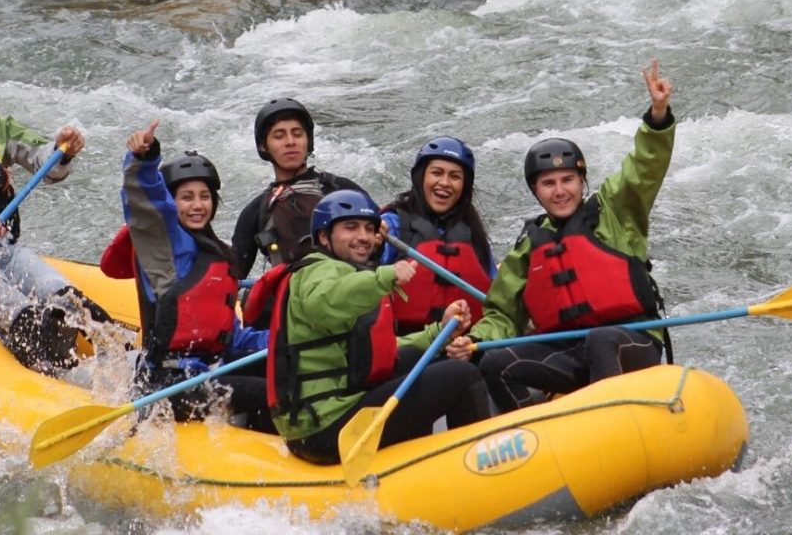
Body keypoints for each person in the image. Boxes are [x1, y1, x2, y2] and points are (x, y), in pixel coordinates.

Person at [448, 61, 675, 413]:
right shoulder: (530, 244)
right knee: (495, 363)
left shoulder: (615, 211)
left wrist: (657, 118)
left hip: (631, 342)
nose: (560, 191)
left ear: (581, 182)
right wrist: (476, 341)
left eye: (567, 180)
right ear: (536, 191)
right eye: (548, 183)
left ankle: (613, 427)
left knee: (602, 339)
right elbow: (503, 315)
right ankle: (532, 443)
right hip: (569, 352)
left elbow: (643, 169)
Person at [242, 189, 490, 464]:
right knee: (462, 376)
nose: (363, 237)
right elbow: (325, 302)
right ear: (324, 237)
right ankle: (481, 466)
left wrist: (439, 333)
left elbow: (378, 350)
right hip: (326, 429)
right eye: (350, 227)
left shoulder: (349, 272)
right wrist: (385, 276)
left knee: (429, 357)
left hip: (341, 409)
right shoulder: (316, 272)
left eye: (369, 229)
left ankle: (422, 460)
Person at [106, 119, 272, 431]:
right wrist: (144, 158)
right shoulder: (163, 244)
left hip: (209, 371)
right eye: (187, 197)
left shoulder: (217, 254)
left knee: (284, 366)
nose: (198, 205)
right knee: (266, 393)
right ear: (172, 202)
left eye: (204, 196)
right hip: (168, 384)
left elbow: (231, 337)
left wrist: (285, 340)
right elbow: (146, 201)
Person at [0, 77, 95, 372]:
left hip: (3, 249)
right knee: (26, 319)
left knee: (68, 303)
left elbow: (47, 163)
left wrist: (63, 149)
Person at [231, 97, 364, 278]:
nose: (290, 142)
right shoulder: (256, 212)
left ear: (308, 141)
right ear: (264, 146)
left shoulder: (342, 190)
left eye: (297, 134)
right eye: (279, 136)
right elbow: (232, 278)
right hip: (291, 299)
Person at [379, 136, 496, 334]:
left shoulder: (472, 232)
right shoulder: (392, 225)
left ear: (464, 186)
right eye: (436, 173)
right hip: (403, 343)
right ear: (421, 177)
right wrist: (372, 240)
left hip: (462, 343)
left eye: (455, 176)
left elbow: (495, 293)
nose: (445, 183)